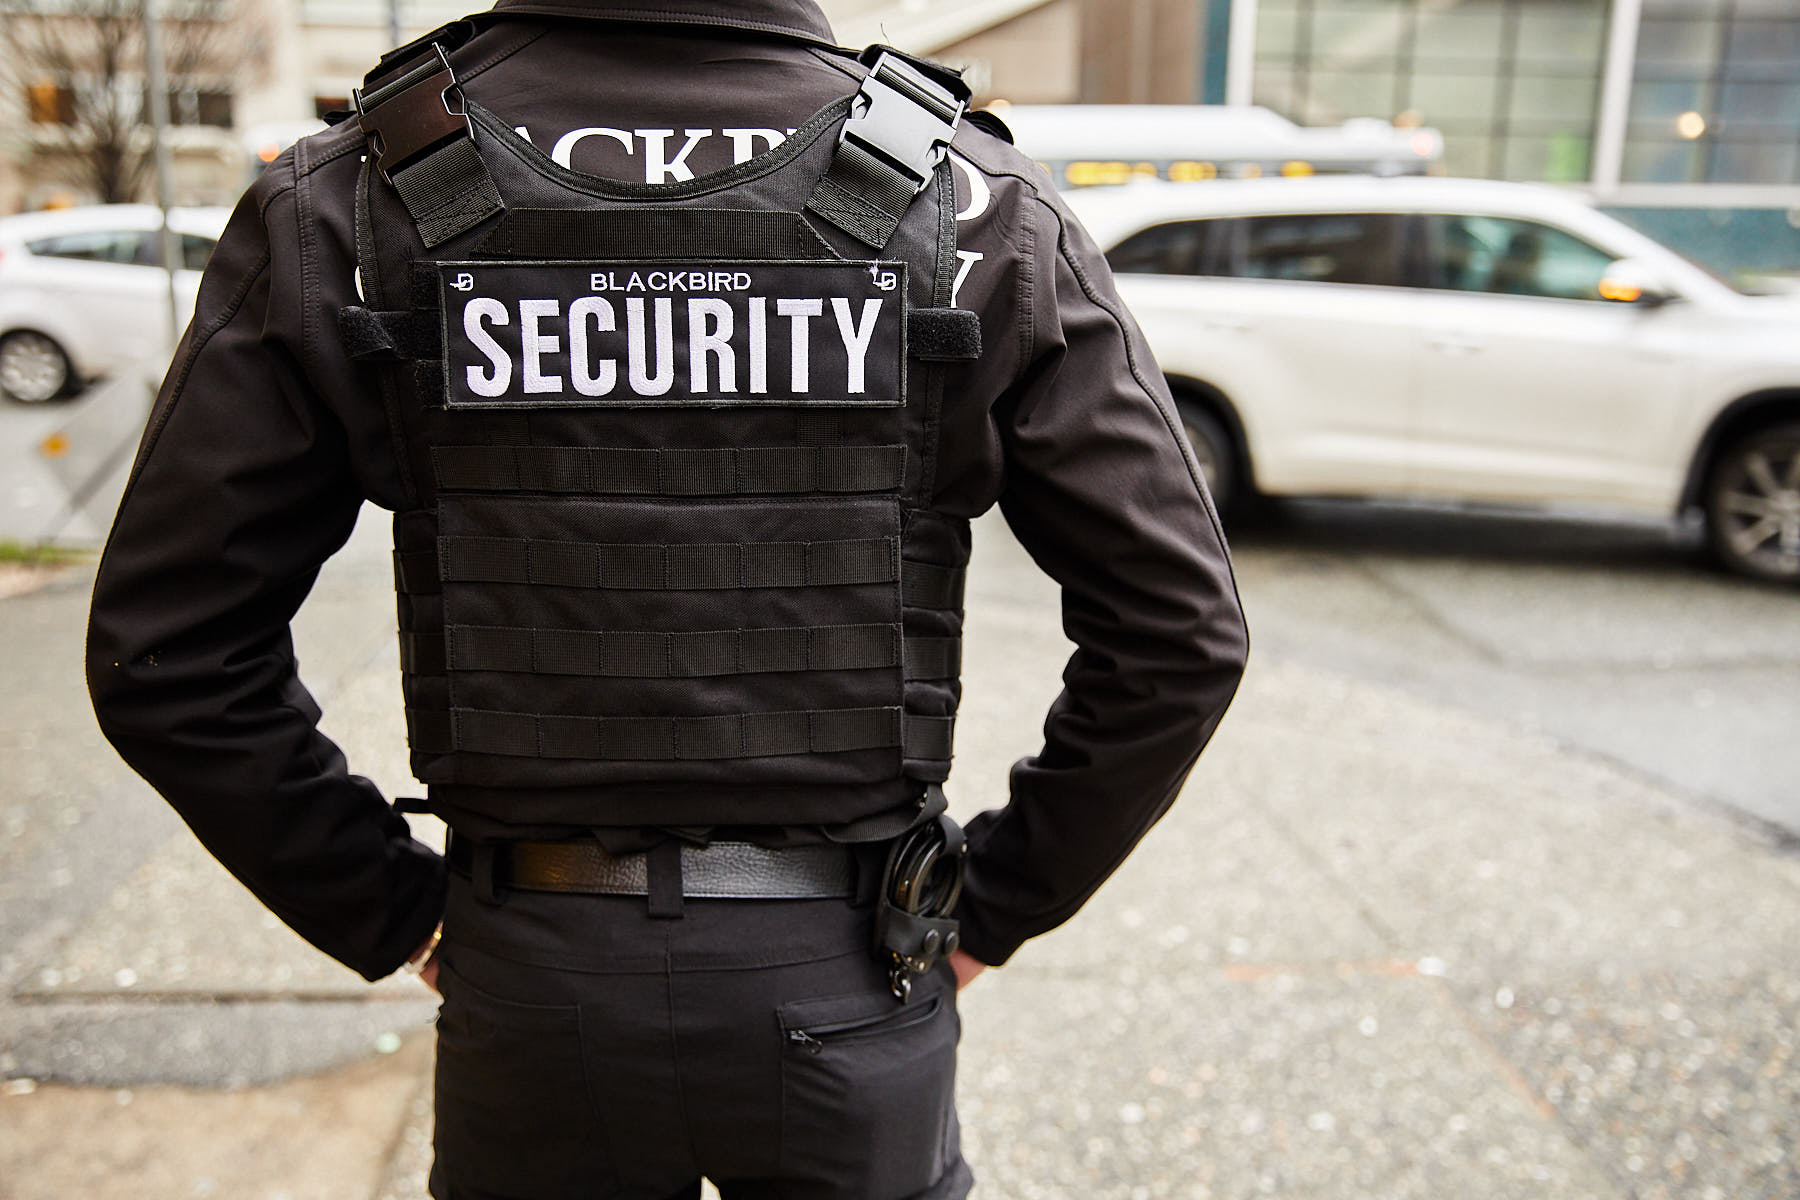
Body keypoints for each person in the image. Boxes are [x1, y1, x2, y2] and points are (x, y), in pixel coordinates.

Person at [86, 2, 1249, 1196]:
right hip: (849, 968)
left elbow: (168, 650)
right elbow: (1179, 632)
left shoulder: (354, 194)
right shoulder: (969, 196)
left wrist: (390, 909)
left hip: (532, 972)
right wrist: (990, 906)